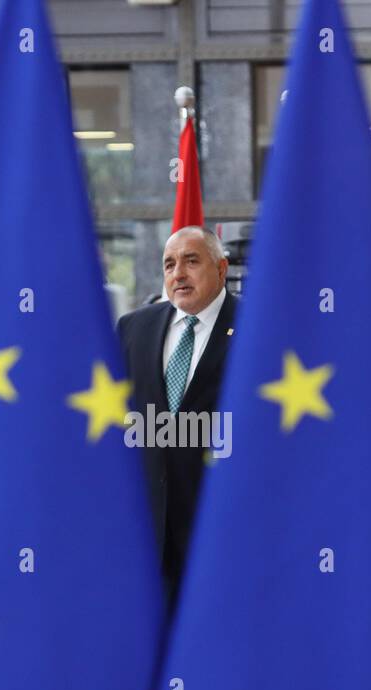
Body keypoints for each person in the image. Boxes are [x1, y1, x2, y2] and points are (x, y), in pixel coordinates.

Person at [116, 225, 237, 609]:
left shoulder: (259, 327)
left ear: (221, 268)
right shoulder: (134, 328)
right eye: (169, 264)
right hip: (146, 539)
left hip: (223, 531)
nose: (178, 274)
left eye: (191, 261)